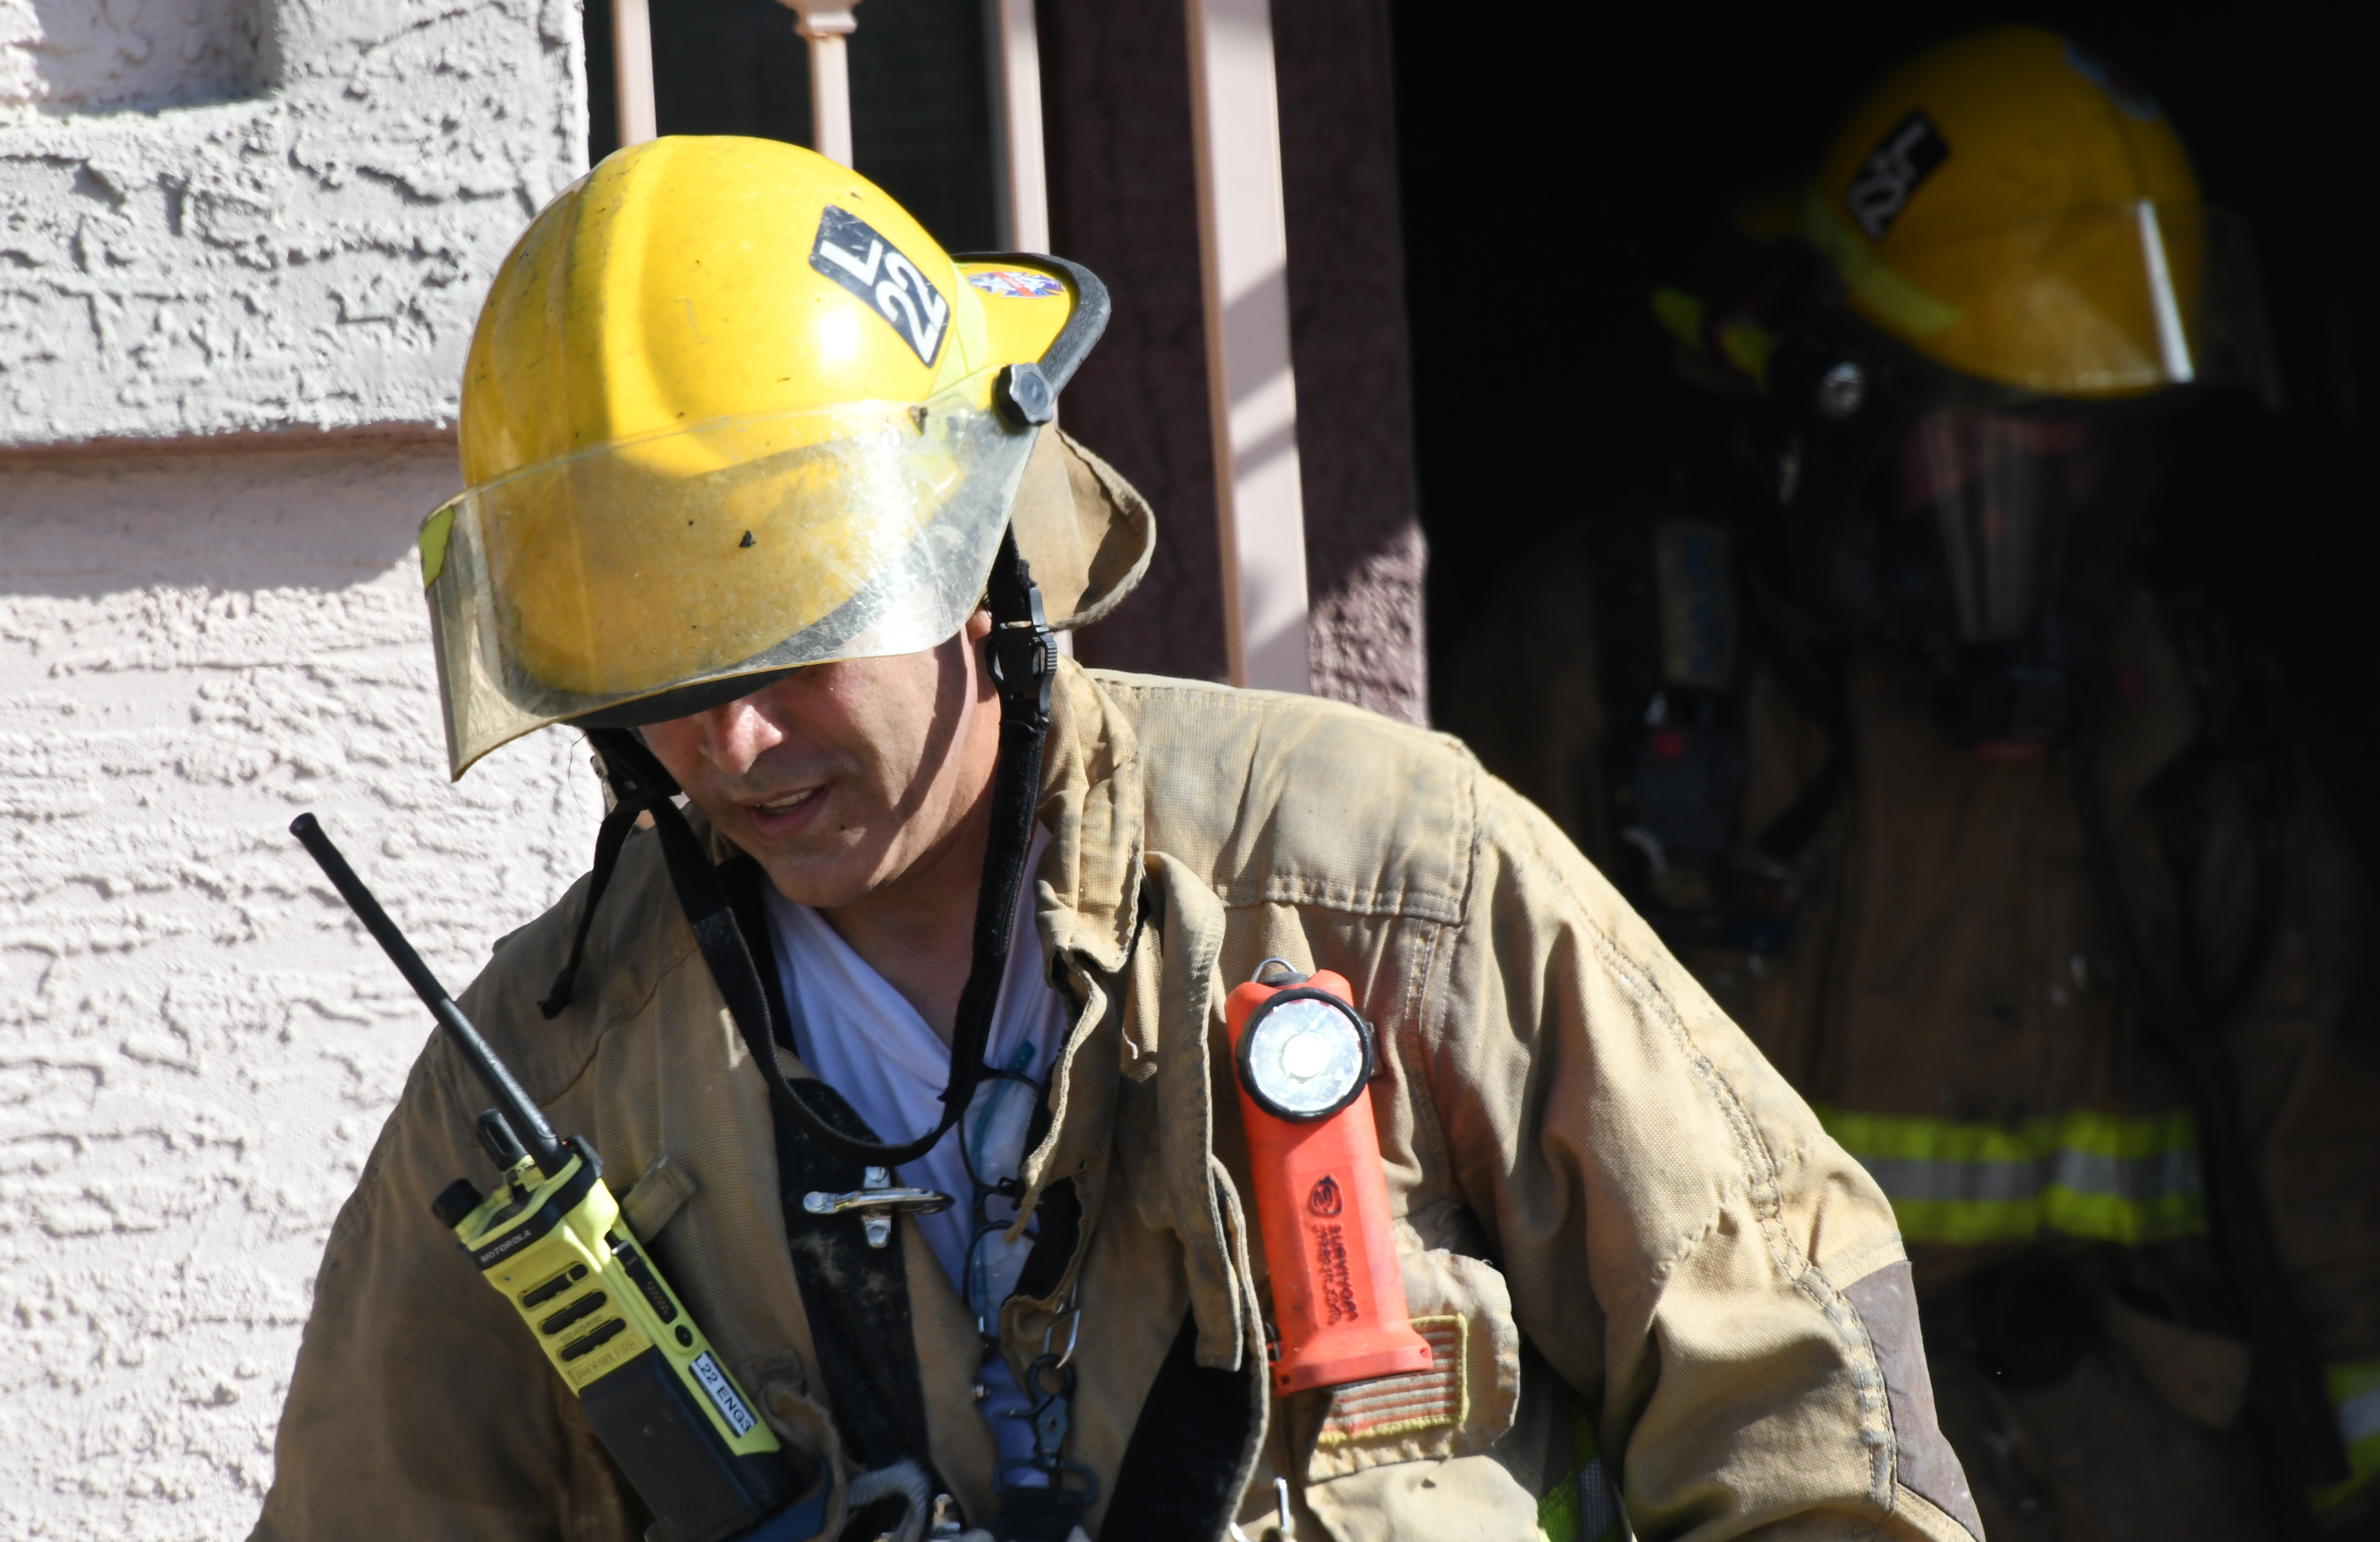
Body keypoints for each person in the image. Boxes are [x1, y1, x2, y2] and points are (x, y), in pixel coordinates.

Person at [253, 134, 1982, 1542]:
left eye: (790, 646)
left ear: (980, 558)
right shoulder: (539, 1097)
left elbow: (1807, 1423)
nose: (735, 745)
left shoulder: (1386, 882)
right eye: (660, 682)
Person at [1451, 26, 2380, 1542]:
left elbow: (2333, 1203)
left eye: (2093, 471)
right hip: (1761, 1473)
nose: (2045, 534)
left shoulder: (2192, 732)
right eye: (2001, 465)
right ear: (1840, 412)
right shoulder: (1609, 677)